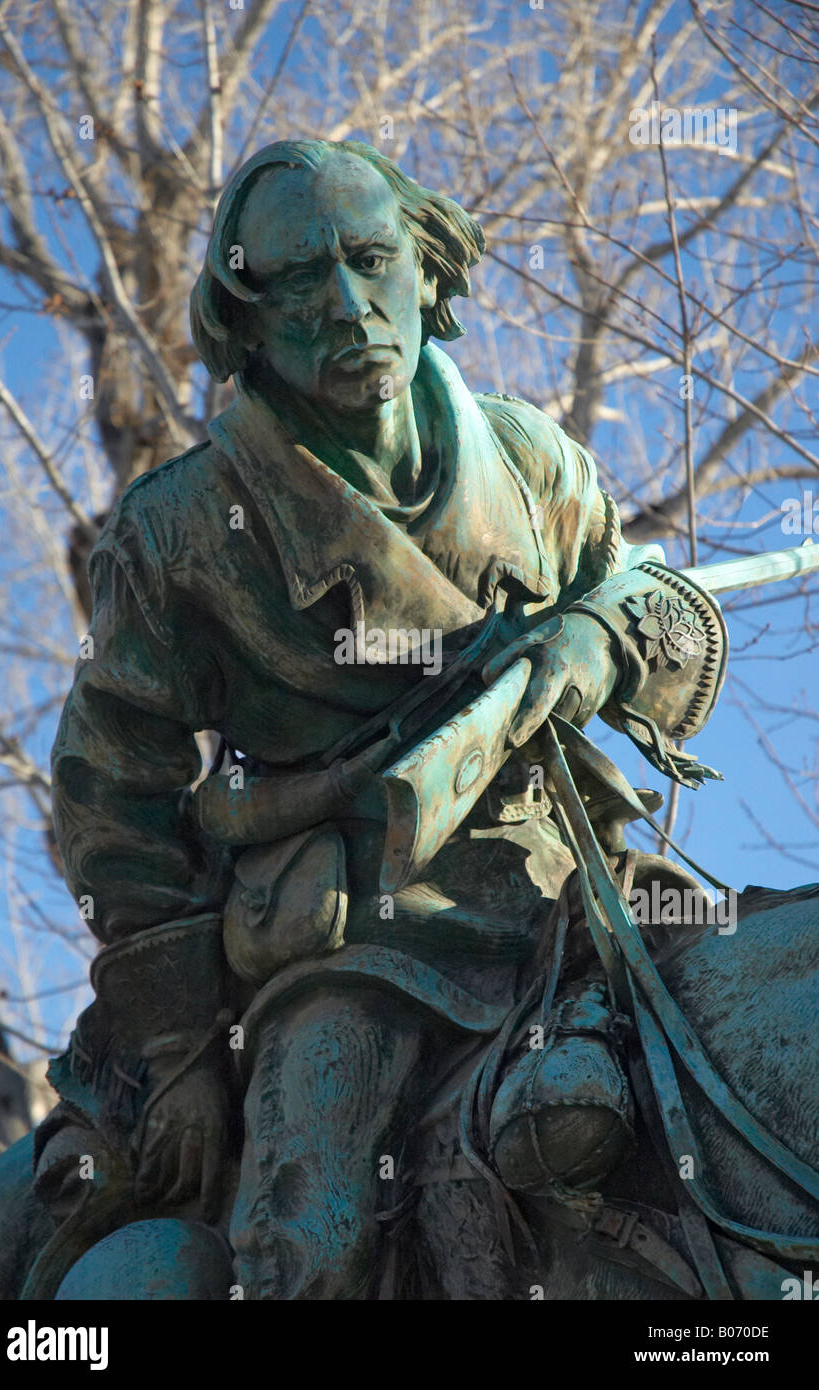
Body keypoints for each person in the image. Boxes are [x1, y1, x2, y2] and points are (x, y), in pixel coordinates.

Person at [37, 139, 726, 1299]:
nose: (350, 305)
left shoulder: (526, 456)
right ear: (246, 320)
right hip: (359, 934)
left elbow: (653, 599)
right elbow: (114, 797)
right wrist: (179, 1048)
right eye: (301, 280)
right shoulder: (181, 532)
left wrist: (599, 641)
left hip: (578, 889)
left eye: (370, 260)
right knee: (313, 1239)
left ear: (426, 268)